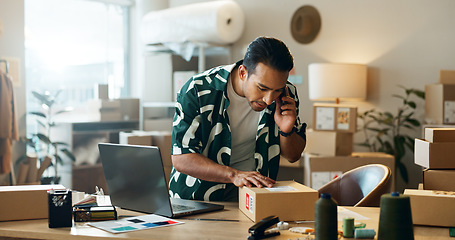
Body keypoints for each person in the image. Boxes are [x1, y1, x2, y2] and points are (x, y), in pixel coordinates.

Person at [169, 36, 307, 201]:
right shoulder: (198, 90)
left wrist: (286, 131)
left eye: (277, 90)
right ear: (243, 73)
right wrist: (234, 175)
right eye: (262, 88)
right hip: (195, 197)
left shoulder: (286, 94)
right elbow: (181, 158)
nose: (269, 99)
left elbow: (293, 156)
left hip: (252, 195)